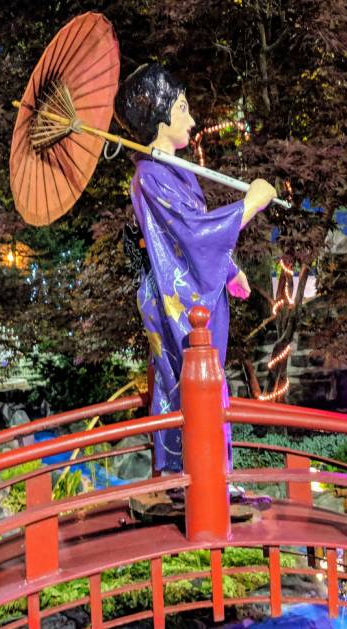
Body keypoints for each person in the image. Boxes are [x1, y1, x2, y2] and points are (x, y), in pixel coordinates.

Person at [115, 63, 275, 476]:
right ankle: (185, 475)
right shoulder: (149, 175)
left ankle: (210, 472)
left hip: (193, 290)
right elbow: (192, 234)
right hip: (174, 297)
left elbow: (192, 237)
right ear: (160, 117)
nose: (191, 119)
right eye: (183, 109)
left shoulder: (177, 174)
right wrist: (249, 205)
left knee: (204, 382)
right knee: (180, 382)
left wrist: (229, 270)